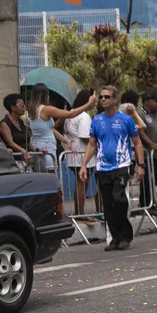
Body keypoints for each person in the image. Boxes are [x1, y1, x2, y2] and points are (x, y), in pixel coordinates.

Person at [79, 86, 144, 251]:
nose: (103, 99)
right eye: (101, 97)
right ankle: (115, 238)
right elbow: (92, 144)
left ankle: (125, 235)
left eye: (107, 97)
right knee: (107, 204)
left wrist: (140, 165)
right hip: (103, 168)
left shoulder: (125, 119)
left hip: (121, 165)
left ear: (115, 99)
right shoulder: (97, 120)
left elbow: (137, 143)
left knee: (119, 199)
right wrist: (84, 165)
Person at [28, 84, 97, 173]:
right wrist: (88, 104)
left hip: (38, 145)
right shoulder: (45, 109)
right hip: (46, 146)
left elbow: (50, 129)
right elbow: (70, 114)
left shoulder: (33, 110)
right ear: (45, 96)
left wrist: (66, 141)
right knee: (51, 177)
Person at [64, 89, 99, 223]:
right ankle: (81, 213)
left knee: (80, 184)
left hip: (74, 154)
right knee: (82, 184)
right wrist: (96, 146)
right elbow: (85, 137)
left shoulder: (70, 115)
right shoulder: (84, 116)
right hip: (83, 155)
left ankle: (79, 212)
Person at [0, 93, 33, 168]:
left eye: (24, 104)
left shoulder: (21, 122)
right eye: (21, 105)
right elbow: (10, 142)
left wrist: (37, 149)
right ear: (12, 107)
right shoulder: (4, 123)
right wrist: (23, 151)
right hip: (14, 162)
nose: (24, 107)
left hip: (26, 160)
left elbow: (26, 140)